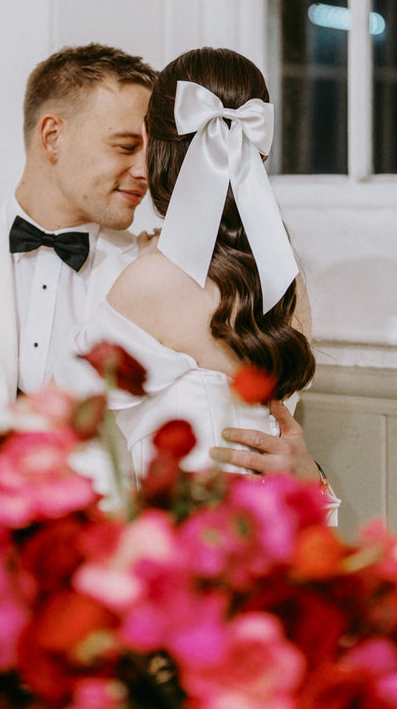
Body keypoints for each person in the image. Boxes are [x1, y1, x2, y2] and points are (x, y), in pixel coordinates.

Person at [0, 43, 318, 485]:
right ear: (52, 137)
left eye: (148, 147)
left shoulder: (166, 272)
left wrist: (307, 475)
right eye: (124, 146)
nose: (143, 168)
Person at [72, 46, 338, 513]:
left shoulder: (150, 282)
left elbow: (64, 425)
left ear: (149, 136)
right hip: (282, 540)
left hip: (187, 555)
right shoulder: (284, 281)